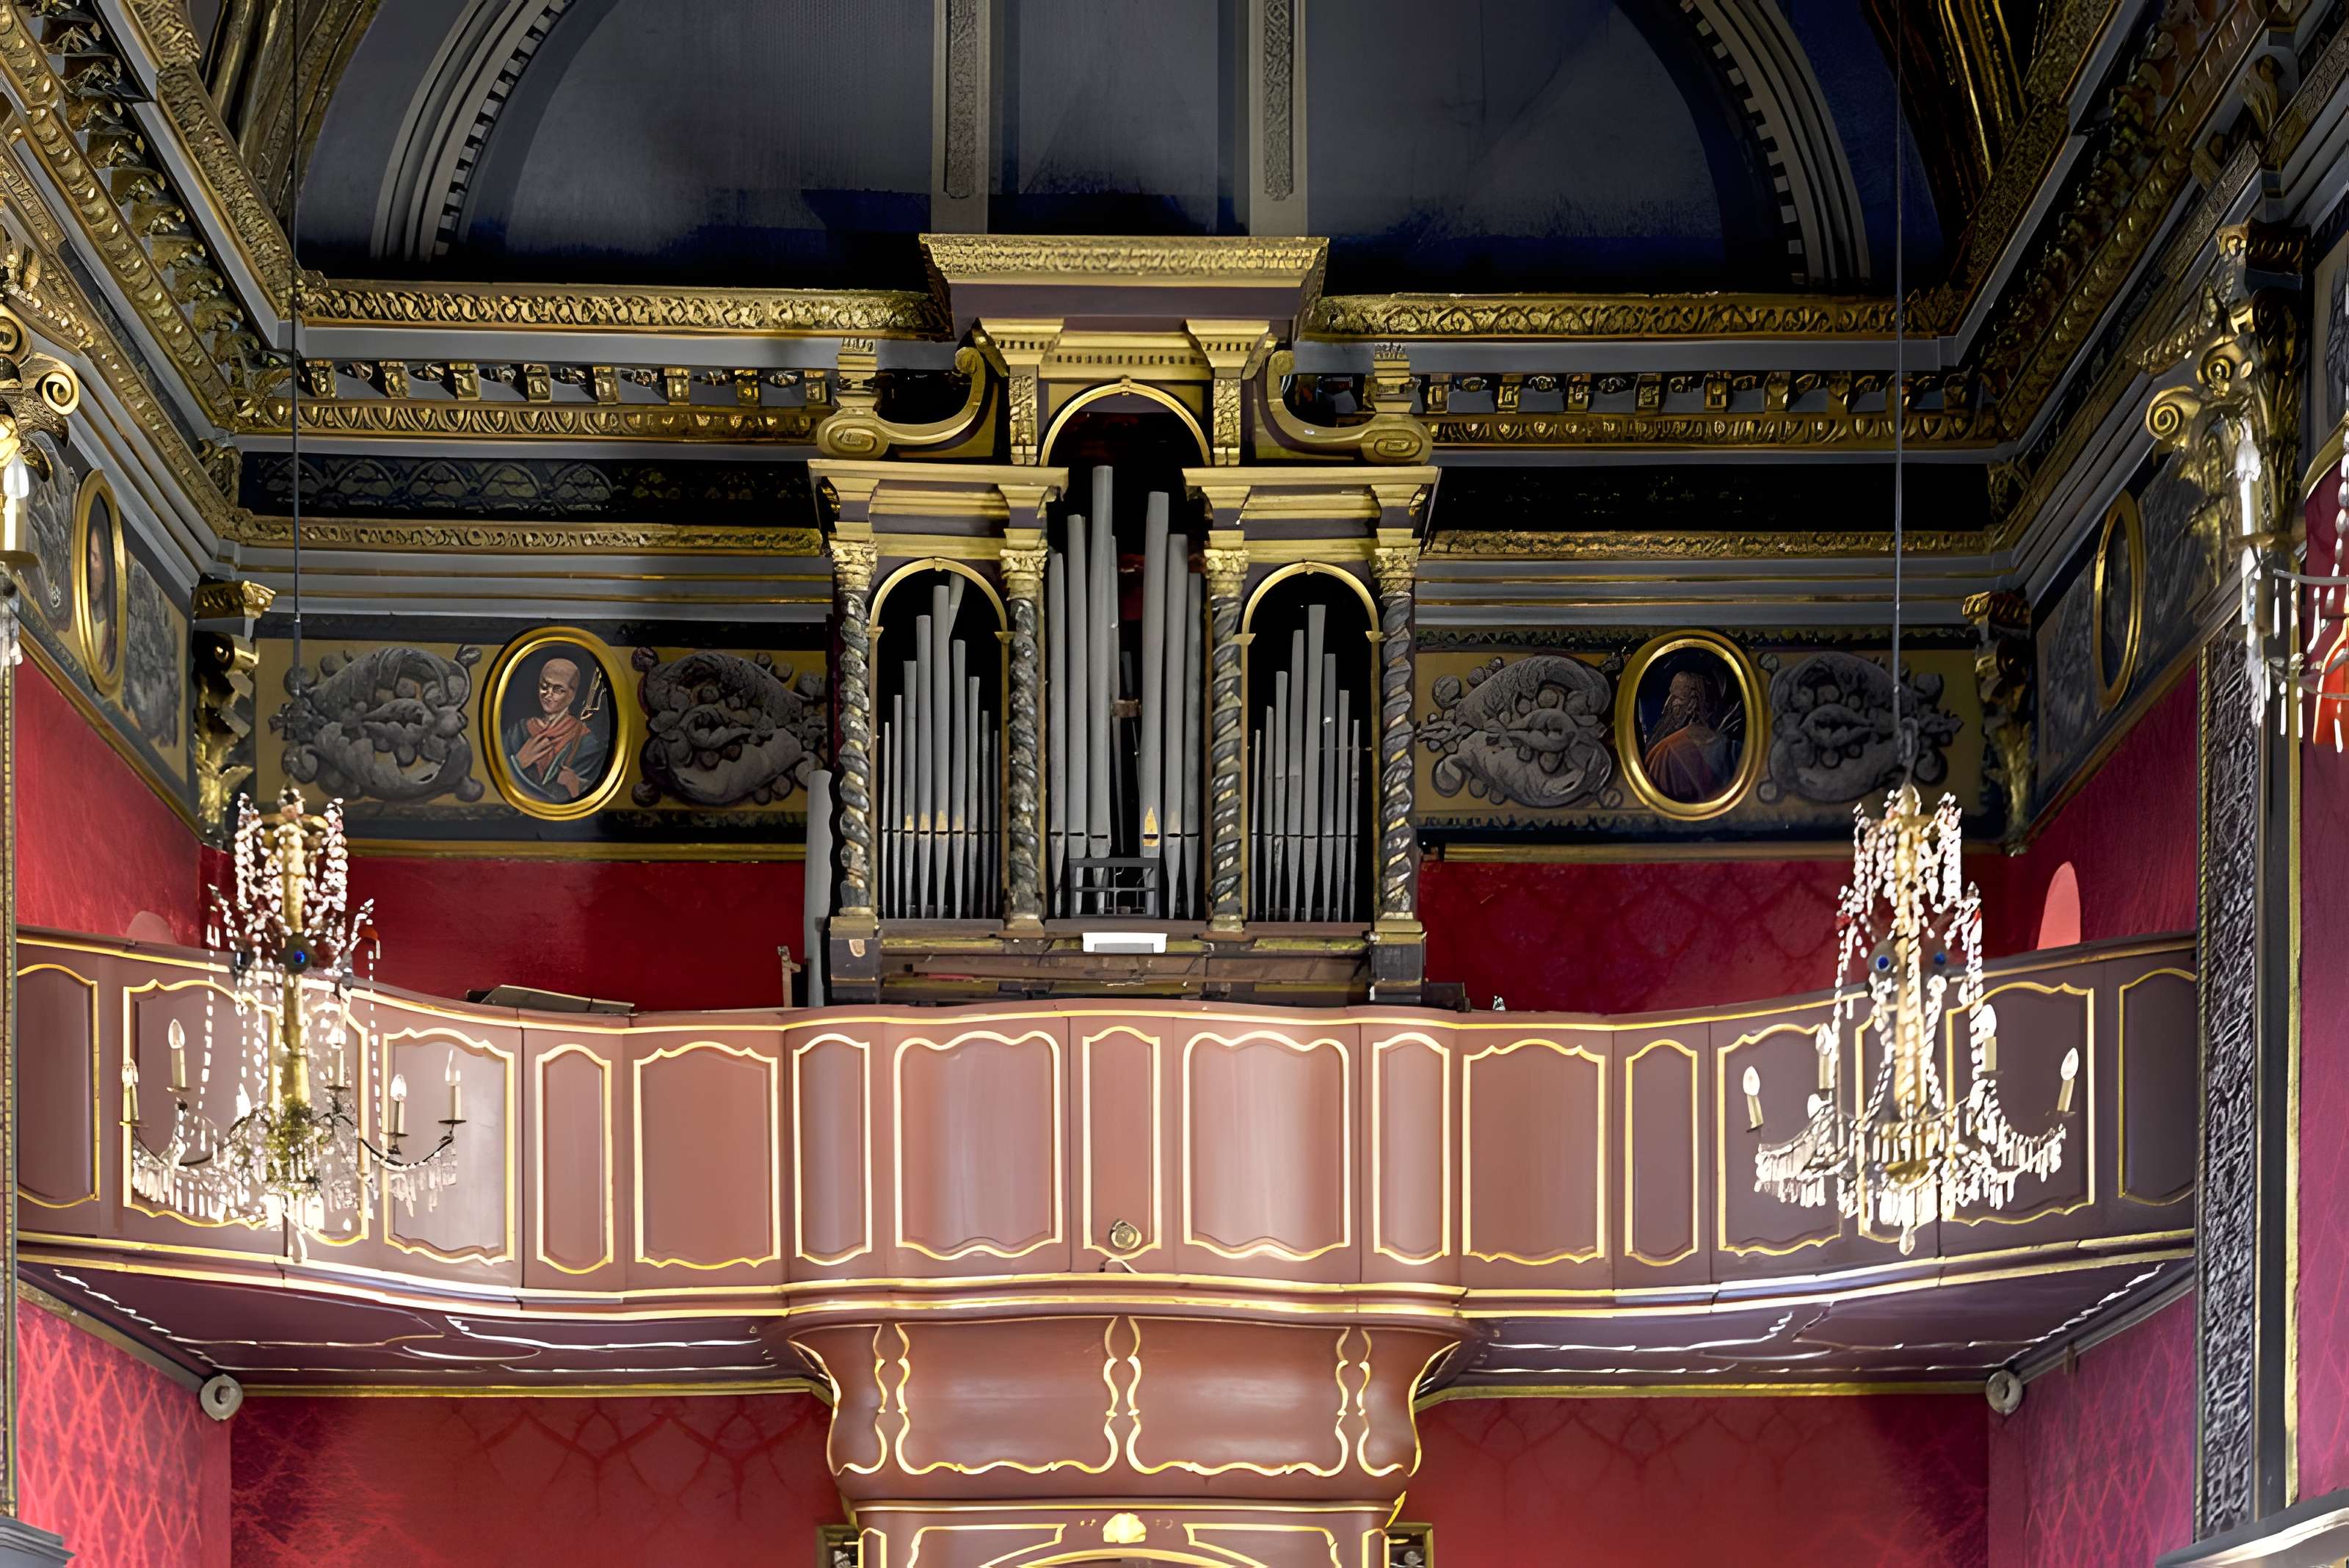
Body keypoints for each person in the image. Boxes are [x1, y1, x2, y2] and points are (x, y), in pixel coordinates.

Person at [504, 653, 607, 802]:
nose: (548, 695)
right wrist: (518, 762)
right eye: (544, 686)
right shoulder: (518, 731)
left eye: (558, 690)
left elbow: (592, 790)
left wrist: (576, 784)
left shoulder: (586, 741)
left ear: (572, 694)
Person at [1641, 667, 1735, 803]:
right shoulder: (1664, 744)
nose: (1670, 703)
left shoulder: (1669, 750)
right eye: (1671, 696)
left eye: (1678, 697)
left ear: (1694, 702)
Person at [84, 509, 116, 674]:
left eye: (95, 557)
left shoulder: (109, 630)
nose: (89, 563)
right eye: (88, 554)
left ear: (105, 571)